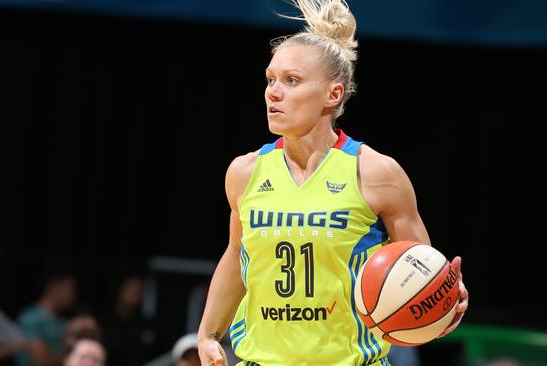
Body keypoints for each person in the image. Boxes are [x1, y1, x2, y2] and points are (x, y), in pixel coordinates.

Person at [196, 0, 469, 364]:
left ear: (333, 94)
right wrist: (208, 333)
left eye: (292, 81)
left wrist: (445, 296)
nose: (273, 92)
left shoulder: (376, 173)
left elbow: (421, 268)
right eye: (270, 79)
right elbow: (235, 254)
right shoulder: (245, 172)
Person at [16, 271, 77, 366]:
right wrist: (75, 357)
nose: (73, 296)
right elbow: (41, 360)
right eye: (69, 290)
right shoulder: (31, 319)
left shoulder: (65, 322)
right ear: (53, 288)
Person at [101, 273, 156, 366]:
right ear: (120, 289)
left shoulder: (149, 326)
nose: (136, 292)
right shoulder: (104, 325)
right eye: (132, 287)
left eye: (140, 289)